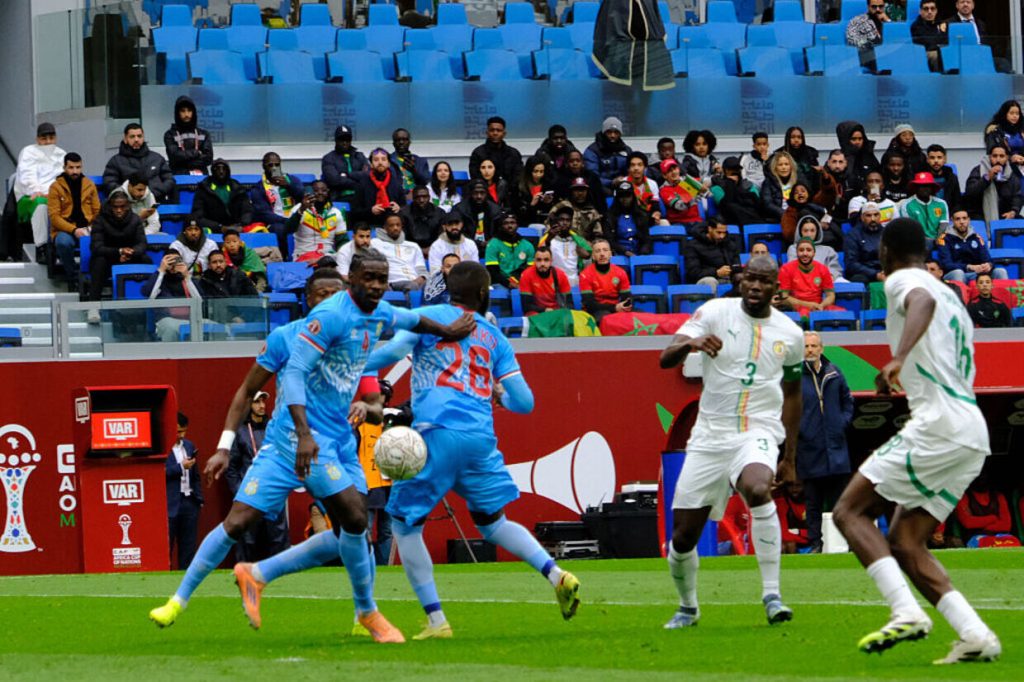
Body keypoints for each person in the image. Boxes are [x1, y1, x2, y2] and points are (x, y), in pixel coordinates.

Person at [148, 258, 475, 640]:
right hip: (292, 442)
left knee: (353, 528)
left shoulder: (369, 321)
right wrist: (225, 445)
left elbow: (408, 329)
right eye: (321, 294)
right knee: (243, 523)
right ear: (309, 299)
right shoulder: (292, 336)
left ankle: (295, 587)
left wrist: (446, 333)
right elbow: (252, 389)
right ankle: (178, 601)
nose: (328, 300)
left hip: (339, 445)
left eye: (334, 293)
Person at [363, 260, 581, 639]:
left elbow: (392, 353)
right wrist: (499, 397)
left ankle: (436, 621)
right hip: (480, 438)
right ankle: (556, 574)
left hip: (436, 433)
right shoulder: (495, 337)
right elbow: (525, 402)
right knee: (492, 523)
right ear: (483, 294)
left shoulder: (429, 316)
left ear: (450, 290)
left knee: (404, 526)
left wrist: (345, 364)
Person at [831, 217, 1001, 664]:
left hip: (939, 424)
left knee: (848, 511)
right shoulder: (952, 296)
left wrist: (898, 358)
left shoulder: (904, 281)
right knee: (906, 540)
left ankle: (905, 611)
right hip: (971, 430)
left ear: (885, 250)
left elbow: (918, 300)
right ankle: (976, 635)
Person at [659, 255, 803, 629]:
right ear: (741, 281)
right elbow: (665, 358)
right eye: (750, 279)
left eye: (764, 281)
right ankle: (688, 607)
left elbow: (793, 394)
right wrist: (691, 343)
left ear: (776, 288)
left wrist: (789, 458)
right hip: (710, 435)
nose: (755, 286)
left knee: (758, 488)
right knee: (683, 538)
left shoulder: (790, 334)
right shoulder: (714, 312)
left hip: (758, 430)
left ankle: (772, 595)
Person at [798, 331, 853, 553]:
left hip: (836, 449)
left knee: (843, 504)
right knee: (813, 504)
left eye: (814, 346)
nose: (810, 350)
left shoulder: (834, 372)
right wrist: (803, 431)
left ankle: (851, 543)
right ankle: (815, 544)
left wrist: (841, 423)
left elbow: (848, 401)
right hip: (809, 450)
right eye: (806, 346)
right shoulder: (794, 376)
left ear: (821, 348)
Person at [226, 391, 289, 563]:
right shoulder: (240, 432)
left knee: (278, 538)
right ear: (249, 405)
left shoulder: (273, 429)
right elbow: (231, 468)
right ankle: (243, 573)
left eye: (263, 402)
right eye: (257, 402)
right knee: (247, 540)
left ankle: (283, 574)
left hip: (273, 492)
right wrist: (240, 492)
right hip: (250, 495)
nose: (262, 406)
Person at [48, 152, 100, 290]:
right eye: (71, 167)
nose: (75, 171)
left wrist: (91, 228)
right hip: (65, 229)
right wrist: (74, 230)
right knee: (63, 242)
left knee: (102, 240)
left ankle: (94, 277)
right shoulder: (55, 187)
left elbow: (97, 211)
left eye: (78, 167)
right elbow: (54, 217)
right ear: (64, 167)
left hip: (87, 227)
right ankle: (72, 276)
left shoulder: (89, 185)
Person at [88, 190, 150, 304]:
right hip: (107, 258)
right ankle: (93, 305)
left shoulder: (135, 219)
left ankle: (149, 301)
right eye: (115, 207)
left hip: (129, 256)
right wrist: (119, 251)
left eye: (122, 207)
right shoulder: (99, 220)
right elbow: (96, 247)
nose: (119, 210)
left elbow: (142, 244)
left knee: (146, 259)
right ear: (110, 206)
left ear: (128, 206)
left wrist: (132, 252)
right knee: (99, 262)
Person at [14, 122, 66, 261]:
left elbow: (63, 178)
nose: (48, 142)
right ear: (37, 139)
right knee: (41, 205)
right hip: (29, 197)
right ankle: (41, 247)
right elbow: (26, 175)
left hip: (54, 195)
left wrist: (54, 194)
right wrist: (36, 190)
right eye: (44, 138)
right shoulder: (28, 152)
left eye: (51, 138)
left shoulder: (62, 154)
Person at [250, 152, 306, 258]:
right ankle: (284, 258)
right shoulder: (259, 188)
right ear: (264, 167)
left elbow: (303, 198)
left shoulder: (292, 180)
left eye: (277, 164)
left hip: (297, 217)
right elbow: (265, 214)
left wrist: (289, 186)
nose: (274, 168)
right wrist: (287, 221)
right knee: (279, 229)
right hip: (276, 222)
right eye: (270, 165)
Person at [102, 123, 175, 203]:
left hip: (157, 201)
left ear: (143, 137)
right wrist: (129, 193)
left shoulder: (157, 158)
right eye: (132, 136)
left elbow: (169, 179)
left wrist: (156, 192)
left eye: (139, 136)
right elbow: (109, 182)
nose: (136, 139)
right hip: (128, 205)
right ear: (125, 139)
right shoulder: (116, 161)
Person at [166, 412, 203, 569]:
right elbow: (157, 473)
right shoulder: (163, 447)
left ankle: (186, 578)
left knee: (188, 547)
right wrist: (180, 467)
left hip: (190, 501)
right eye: (178, 431)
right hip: (169, 503)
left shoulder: (189, 446)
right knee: (167, 546)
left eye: (184, 431)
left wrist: (199, 498)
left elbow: (196, 475)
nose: (181, 435)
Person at [143, 251, 204, 342]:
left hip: (191, 319)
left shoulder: (188, 280)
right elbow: (150, 295)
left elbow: (200, 301)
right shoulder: (159, 279)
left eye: (177, 260)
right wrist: (161, 270)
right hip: (167, 319)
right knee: (171, 327)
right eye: (170, 260)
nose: (173, 264)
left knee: (212, 325)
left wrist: (187, 277)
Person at [288, 180, 346, 262]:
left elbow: (342, 240)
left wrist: (343, 257)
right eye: (316, 190)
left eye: (324, 190)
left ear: (328, 192)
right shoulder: (299, 209)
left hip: (328, 257)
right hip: (304, 255)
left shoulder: (336, 213)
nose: (320, 193)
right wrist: (301, 210)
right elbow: (288, 229)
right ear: (310, 192)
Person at [779, 239, 839, 318]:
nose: (805, 253)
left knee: (842, 314)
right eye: (801, 250)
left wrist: (821, 305)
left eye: (809, 250)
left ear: (814, 253)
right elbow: (784, 298)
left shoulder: (823, 269)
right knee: (804, 316)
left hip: (819, 307)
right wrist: (808, 305)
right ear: (796, 252)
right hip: (796, 308)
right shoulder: (786, 269)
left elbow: (831, 296)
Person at [189, 159, 254, 233]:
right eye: (218, 168)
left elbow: (247, 211)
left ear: (228, 171)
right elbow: (198, 216)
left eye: (224, 168)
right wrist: (219, 227)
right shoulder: (203, 189)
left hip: (237, 228)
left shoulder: (238, 188)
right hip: (213, 230)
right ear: (213, 171)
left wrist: (241, 225)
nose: (221, 171)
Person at [964, 145, 1022, 223]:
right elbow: (970, 192)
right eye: (994, 156)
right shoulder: (979, 170)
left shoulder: (1011, 174)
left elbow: (1017, 196)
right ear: (989, 157)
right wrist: (987, 178)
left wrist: (1013, 211)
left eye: (1002, 156)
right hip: (980, 215)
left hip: (1005, 215)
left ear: (1007, 158)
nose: (998, 159)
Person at [579, 239, 631, 323]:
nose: (602, 254)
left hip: (617, 308)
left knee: (639, 315)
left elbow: (627, 297)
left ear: (610, 254)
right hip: (595, 312)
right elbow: (589, 305)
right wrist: (614, 308)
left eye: (605, 250)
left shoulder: (621, 272)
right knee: (606, 318)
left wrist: (624, 306)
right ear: (593, 256)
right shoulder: (585, 275)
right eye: (598, 251)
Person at [538, 204, 592, 287]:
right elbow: (539, 259)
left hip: (575, 283)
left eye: (568, 220)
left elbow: (588, 266)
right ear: (556, 221)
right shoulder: (548, 238)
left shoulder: (578, 240)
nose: (565, 223)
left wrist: (587, 257)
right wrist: (548, 240)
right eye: (562, 220)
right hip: (553, 283)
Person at [371, 214, 427, 291]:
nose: (395, 228)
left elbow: (422, 271)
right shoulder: (375, 243)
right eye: (391, 225)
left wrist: (417, 282)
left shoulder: (414, 246)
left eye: (398, 225)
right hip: (390, 282)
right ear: (385, 228)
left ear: (402, 227)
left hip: (413, 282)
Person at [684, 217, 739, 293]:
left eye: (724, 232)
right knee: (710, 281)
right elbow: (693, 272)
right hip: (705, 279)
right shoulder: (693, 245)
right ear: (710, 229)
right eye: (718, 232)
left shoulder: (729, 244)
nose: (722, 236)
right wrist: (716, 272)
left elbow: (736, 264)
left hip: (728, 277)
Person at [785, 215, 844, 284]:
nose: (809, 234)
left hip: (826, 282)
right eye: (805, 231)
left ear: (817, 232)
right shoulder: (793, 249)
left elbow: (835, 268)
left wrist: (831, 276)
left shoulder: (828, 250)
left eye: (812, 231)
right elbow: (794, 268)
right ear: (800, 232)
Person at [163, 95, 213, 175]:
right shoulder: (170, 134)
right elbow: (174, 158)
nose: (186, 114)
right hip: (179, 177)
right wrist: (197, 153)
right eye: (183, 111)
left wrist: (183, 160)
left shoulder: (204, 134)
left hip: (201, 178)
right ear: (177, 113)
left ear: (193, 112)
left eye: (189, 111)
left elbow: (208, 159)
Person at [356, 148, 406, 227]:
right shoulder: (362, 183)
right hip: (370, 226)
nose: (380, 162)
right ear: (371, 164)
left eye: (383, 159)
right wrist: (370, 210)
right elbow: (355, 211)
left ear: (388, 163)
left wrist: (399, 208)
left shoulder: (396, 183)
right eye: (376, 160)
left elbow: (404, 206)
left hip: (393, 227)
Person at [485, 213, 534, 289]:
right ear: (501, 226)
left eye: (512, 222)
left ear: (517, 225)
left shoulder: (527, 245)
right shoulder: (493, 244)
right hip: (500, 283)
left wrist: (518, 281)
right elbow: (493, 271)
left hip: (522, 281)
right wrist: (508, 284)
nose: (510, 226)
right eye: (506, 223)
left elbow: (530, 269)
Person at [711, 157, 763, 228]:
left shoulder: (748, 185)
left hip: (750, 217)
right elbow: (724, 205)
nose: (734, 172)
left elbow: (757, 203)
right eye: (731, 170)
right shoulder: (717, 187)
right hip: (728, 219)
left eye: (737, 169)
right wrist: (730, 183)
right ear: (725, 171)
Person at [898, 172, 949, 244]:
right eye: (921, 186)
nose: (925, 189)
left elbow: (943, 226)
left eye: (928, 186)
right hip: (917, 242)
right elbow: (908, 229)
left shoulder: (941, 203)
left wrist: (938, 241)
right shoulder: (907, 205)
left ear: (932, 188)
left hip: (939, 240)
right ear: (915, 188)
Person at [584, 117, 632, 195]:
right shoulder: (592, 151)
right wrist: (611, 182)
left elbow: (632, 170)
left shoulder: (626, 150)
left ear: (620, 134)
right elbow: (592, 177)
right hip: (601, 188)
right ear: (604, 133)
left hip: (624, 187)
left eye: (616, 132)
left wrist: (625, 179)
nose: (613, 135)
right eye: (609, 132)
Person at [518, 245, 572, 315]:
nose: (542, 264)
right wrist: (545, 310)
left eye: (546, 260)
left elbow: (569, 303)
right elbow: (526, 306)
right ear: (534, 261)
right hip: (536, 312)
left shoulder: (561, 275)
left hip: (556, 312)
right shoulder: (526, 275)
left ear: (551, 261)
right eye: (539, 260)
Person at [321, 124, 368, 203]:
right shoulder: (328, 158)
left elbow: (367, 175)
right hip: (339, 197)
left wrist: (347, 175)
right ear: (336, 140)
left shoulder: (360, 156)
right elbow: (334, 180)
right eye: (341, 139)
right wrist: (358, 183)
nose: (344, 142)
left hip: (361, 197)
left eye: (347, 139)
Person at [604, 181, 652, 258]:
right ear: (617, 198)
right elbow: (610, 240)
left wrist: (642, 255)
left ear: (633, 197)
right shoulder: (609, 216)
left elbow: (646, 239)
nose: (625, 199)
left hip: (639, 255)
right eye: (621, 196)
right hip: (618, 255)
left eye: (628, 196)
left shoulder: (641, 215)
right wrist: (625, 252)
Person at [469, 116, 523, 184]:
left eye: (498, 130)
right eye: (492, 130)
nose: (495, 133)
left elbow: (518, 176)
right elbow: (475, 177)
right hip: (485, 189)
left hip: (510, 189)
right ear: (487, 133)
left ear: (504, 133)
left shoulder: (513, 153)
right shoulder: (478, 153)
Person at [548, 177, 603, 242]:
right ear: (571, 192)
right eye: (576, 190)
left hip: (584, 244)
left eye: (583, 190)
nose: (580, 193)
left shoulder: (592, 211)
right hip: (561, 241)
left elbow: (598, 234)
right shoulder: (561, 206)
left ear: (587, 192)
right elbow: (548, 225)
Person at [844, 202, 885, 284]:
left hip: (884, 270)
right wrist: (875, 274)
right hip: (864, 273)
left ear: (880, 216)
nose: (873, 219)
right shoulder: (853, 235)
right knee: (858, 279)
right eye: (868, 215)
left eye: (876, 215)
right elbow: (851, 263)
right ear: (862, 218)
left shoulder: (887, 232)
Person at [510, 156, 556, 226]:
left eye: (541, 171)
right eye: (535, 171)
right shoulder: (518, 186)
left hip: (543, 222)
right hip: (524, 222)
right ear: (529, 171)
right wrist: (531, 204)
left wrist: (547, 203)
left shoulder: (547, 184)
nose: (538, 175)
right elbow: (516, 210)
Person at [399, 185, 443, 255]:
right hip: (409, 249)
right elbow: (402, 237)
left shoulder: (439, 213)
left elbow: (442, 237)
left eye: (424, 197)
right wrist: (417, 250)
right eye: (417, 197)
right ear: (413, 198)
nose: (421, 200)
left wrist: (432, 248)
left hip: (434, 249)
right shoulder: (404, 213)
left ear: (429, 197)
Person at [983, 101, 1024, 173]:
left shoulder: (1022, 129)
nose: (1015, 116)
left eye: (1017, 114)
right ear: (1005, 114)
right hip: (1004, 169)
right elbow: (993, 153)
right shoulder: (994, 130)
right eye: (1011, 113)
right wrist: (1010, 158)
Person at [761, 152, 801, 223]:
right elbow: (768, 204)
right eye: (780, 165)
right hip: (776, 218)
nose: (784, 167)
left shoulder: (799, 180)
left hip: (796, 216)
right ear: (775, 167)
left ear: (791, 166)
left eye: (786, 164)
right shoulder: (768, 182)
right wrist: (785, 214)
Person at [659, 158, 702, 226]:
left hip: (697, 221)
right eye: (670, 171)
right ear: (664, 175)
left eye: (675, 169)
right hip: (679, 223)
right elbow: (680, 206)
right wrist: (695, 197)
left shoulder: (685, 183)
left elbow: (704, 191)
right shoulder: (664, 190)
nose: (674, 172)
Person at [846, 0, 889, 67]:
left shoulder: (886, 20)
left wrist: (888, 21)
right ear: (868, 7)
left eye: (881, 6)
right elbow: (850, 38)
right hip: (864, 54)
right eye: (874, 7)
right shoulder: (859, 20)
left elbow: (898, 38)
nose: (878, 9)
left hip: (885, 53)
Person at [389, 128, 430, 196]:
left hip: (417, 198)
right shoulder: (387, 161)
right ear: (393, 143)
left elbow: (425, 182)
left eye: (404, 139)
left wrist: (414, 171)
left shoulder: (421, 161)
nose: (401, 142)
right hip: (395, 198)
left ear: (409, 142)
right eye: (398, 140)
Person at [776, 126, 820, 191]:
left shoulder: (810, 154)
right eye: (793, 137)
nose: (796, 140)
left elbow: (816, 177)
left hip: (807, 190)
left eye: (799, 137)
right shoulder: (779, 154)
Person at [910, 0, 947, 71]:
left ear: (936, 11)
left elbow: (946, 41)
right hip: (924, 53)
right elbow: (927, 43)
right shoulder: (916, 26)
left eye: (932, 9)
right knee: (935, 55)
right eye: (926, 9)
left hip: (941, 51)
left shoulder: (942, 24)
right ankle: (939, 76)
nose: (929, 12)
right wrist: (938, 45)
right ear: (920, 11)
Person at [925, 144, 961, 211]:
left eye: (939, 157)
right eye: (932, 158)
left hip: (948, 213)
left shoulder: (952, 177)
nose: (936, 161)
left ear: (945, 159)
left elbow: (957, 201)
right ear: (927, 160)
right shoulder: (922, 178)